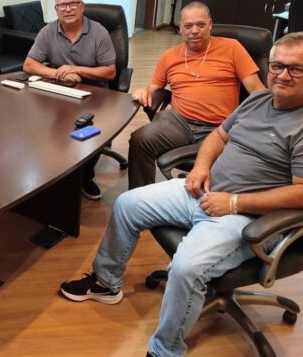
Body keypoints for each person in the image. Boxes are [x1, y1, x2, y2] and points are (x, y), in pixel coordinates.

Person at [60, 32, 303, 357]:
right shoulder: (258, 101)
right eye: (277, 66)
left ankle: (165, 350)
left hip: (247, 217)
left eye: (295, 68)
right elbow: (218, 136)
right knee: (127, 204)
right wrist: (201, 167)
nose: (283, 75)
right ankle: (106, 283)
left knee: (186, 268)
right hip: (204, 190)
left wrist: (234, 202)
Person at [128, 1, 265, 189]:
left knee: (231, 166)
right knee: (140, 140)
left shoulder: (232, 48)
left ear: (210, 25)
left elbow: (258, 92)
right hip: (178, 122)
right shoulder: (169, 56)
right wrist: (142, 91)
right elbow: (152, 88)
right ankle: (139, 197)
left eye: (200, 25)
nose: (194, 31)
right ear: (180, 28)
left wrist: (248, 125)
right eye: (188, 26)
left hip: (219, 127)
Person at [23, 0, 116, 200]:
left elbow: (110, 72)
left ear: (82, 6)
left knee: (92, 131)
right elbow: (29, 65)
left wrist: (77, 69)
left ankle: (86, 176)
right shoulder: (48, 31)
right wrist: (58, 73)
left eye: (73, 3)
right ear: (56, 9)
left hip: (95, 94)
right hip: (62, 91)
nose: (68, 9)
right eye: (62, 5)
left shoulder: (98, 32)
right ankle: (52, 171)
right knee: (45, 128)